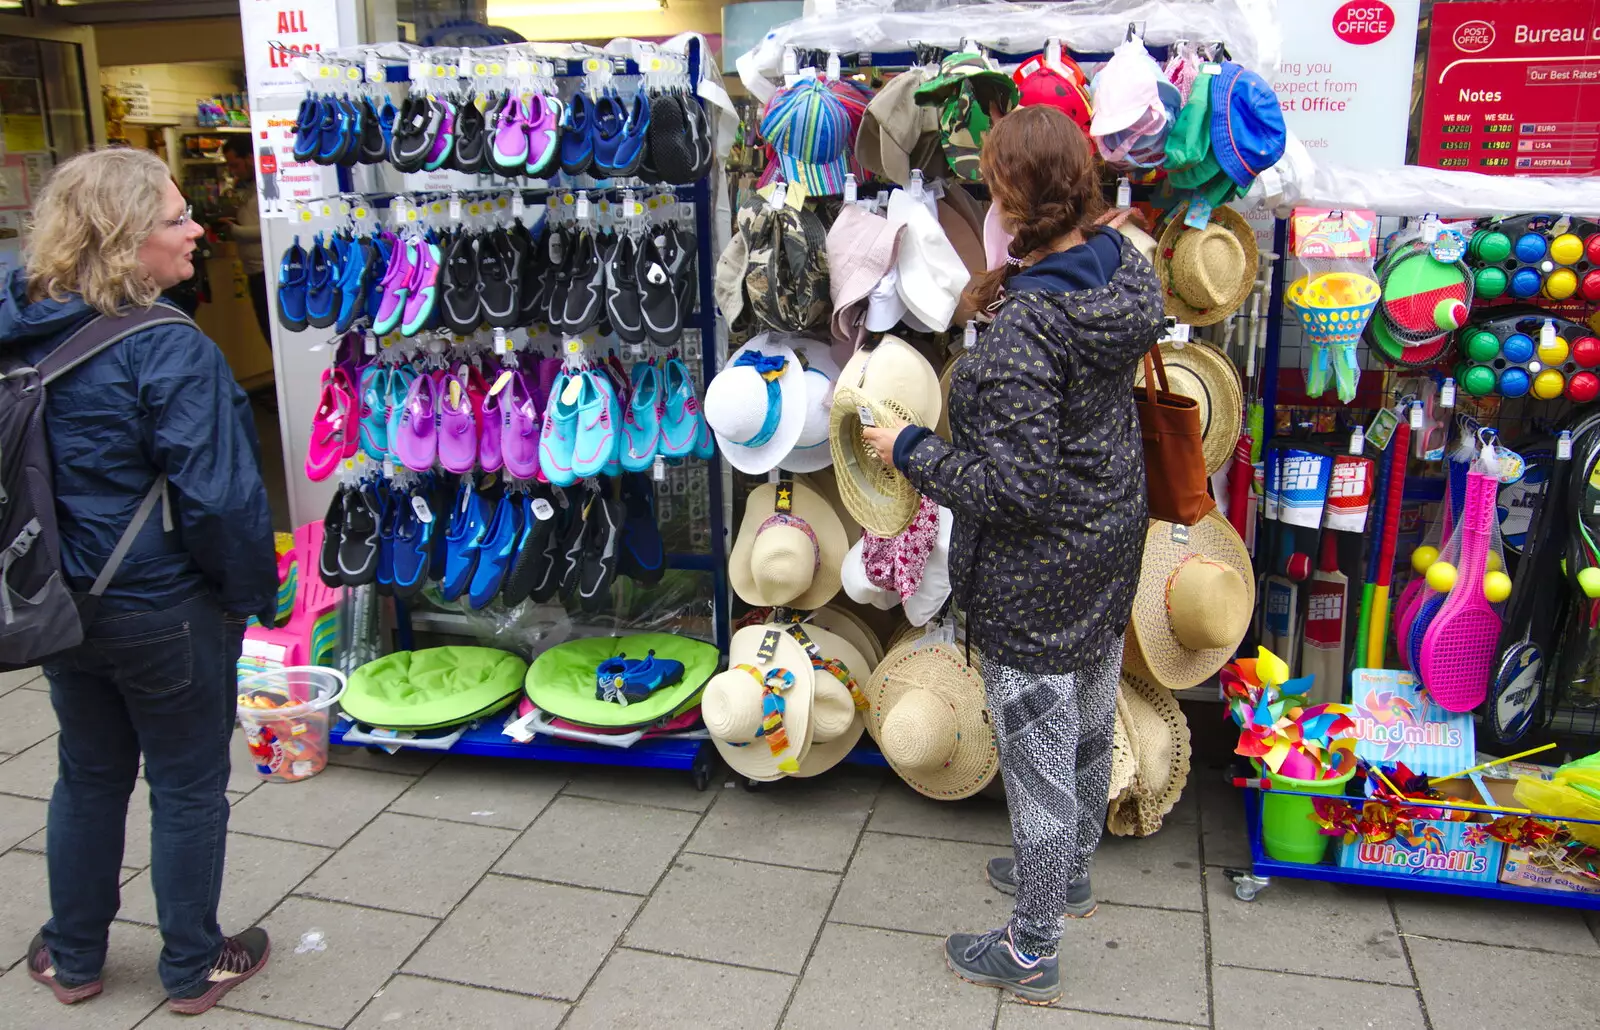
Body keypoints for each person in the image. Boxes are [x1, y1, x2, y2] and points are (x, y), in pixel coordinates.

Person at [862, 105, 1163, 1005]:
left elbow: (1012, 488)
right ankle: (1067, 873)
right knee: (1083, 724)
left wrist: (909, 453)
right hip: (1107, 538)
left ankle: (1033, 948)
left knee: (1036, 757)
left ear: (1014, 194)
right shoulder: (1117, 267)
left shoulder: (1035, 322)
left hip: (1041, 566)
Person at [2, 148, 277, 1015]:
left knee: (87, 772)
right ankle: (194, 962)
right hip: (162, 608)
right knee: (188, 783)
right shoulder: (168, 349)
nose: (198, 228)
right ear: (125, 240)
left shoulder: (20, 332)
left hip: (57, 600)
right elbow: (224, 502)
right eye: (173, 218)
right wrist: (248, 596)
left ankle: (73, 954)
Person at [217, 135, 270, 344]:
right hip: (254, 271)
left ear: (250, 157)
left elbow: (270, 230)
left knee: (272, 332)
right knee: (266, 332)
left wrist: (236, 231)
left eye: (235, 164)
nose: (233, 171)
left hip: (267, 271)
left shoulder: (269, 186)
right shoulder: (247, 188)